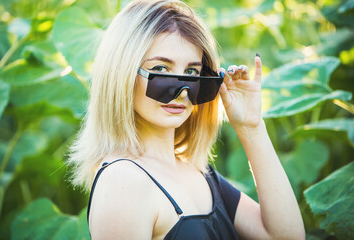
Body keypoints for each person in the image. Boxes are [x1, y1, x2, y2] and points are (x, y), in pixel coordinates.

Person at [67, 0, 305, 239]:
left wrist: (251, 127)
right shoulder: (123, 182)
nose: (182, 91)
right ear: (122, 74)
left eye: (192, 72)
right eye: (160, 70)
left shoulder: (201, 173)